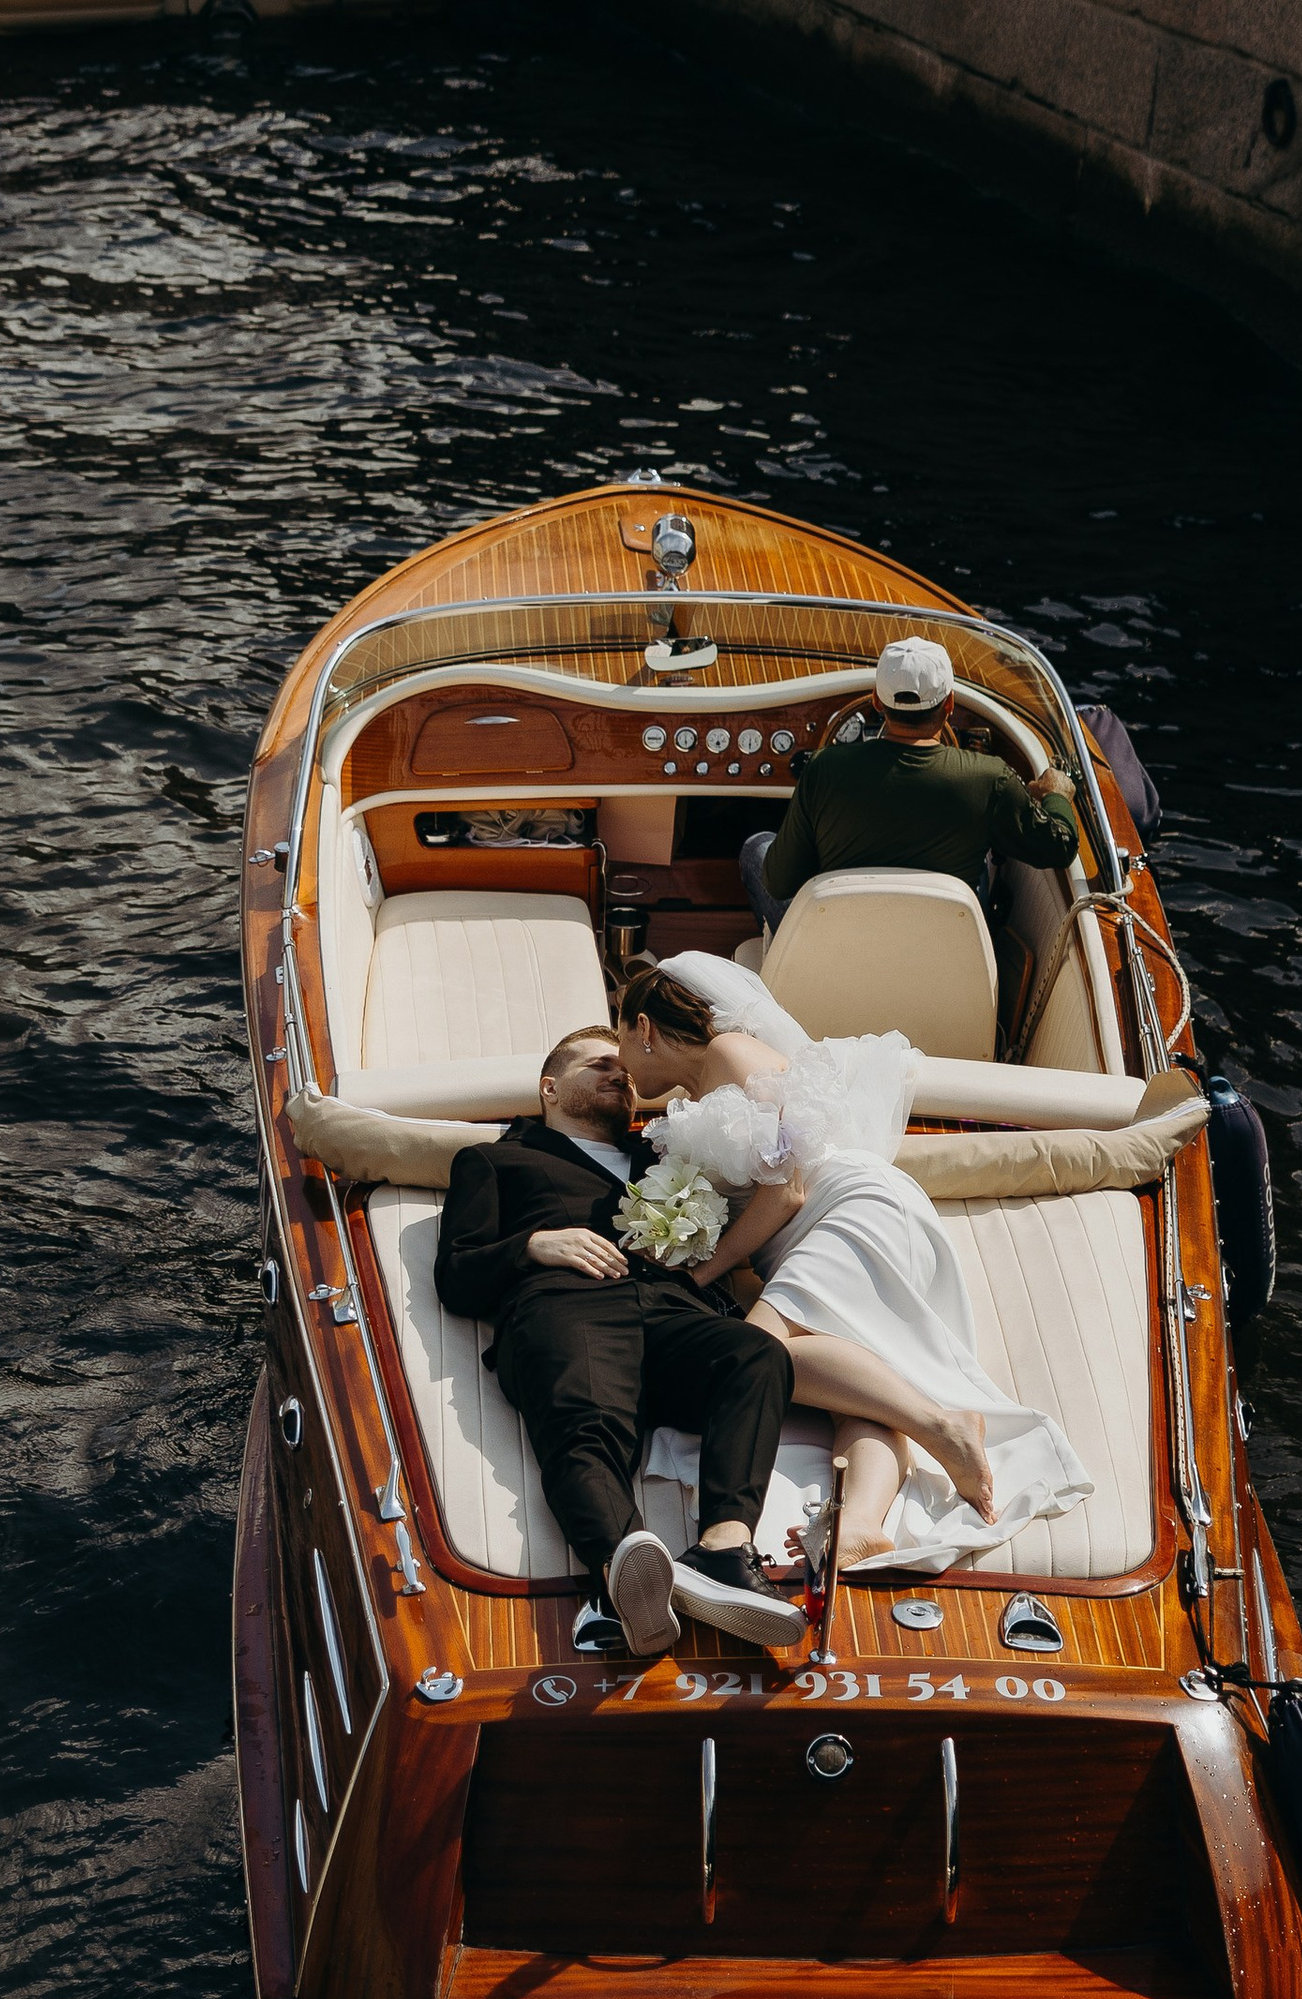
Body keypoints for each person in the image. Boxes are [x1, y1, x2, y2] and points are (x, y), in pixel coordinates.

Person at [615, 955, 1093, 1578]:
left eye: (619, 1037)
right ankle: (862, 1525)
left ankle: (942, 1424)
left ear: (644, 1026)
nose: (621, 1063)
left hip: (849, 1209)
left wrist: (704, 1274)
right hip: (805, 1241)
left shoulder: (729, 1051)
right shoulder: (690, 1098)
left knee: (753, 1362)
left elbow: (787, 1189)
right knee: (856, 1397)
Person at [433, 1026, 803, 1657]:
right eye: (599, 1065)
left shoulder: (666, 1159)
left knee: (756, 1356)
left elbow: (776, 1170)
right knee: (587, 1424)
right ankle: (619, 1573)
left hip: (667, 1310)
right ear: (549, 1088)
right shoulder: (496, 1159)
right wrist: (531, 1245)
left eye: (626, 1072)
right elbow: (456, 1273)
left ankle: (723, 1549)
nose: (620, 1076)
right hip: (565, 1306)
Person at [738, 633, 1080, 940]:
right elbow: (1059, 847)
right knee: (977, 867)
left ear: (875, 700)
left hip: (840, 951)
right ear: (949, 704)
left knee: (758, 847)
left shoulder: (823, 768)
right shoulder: (990, 778)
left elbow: (780, 882)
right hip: (942, 955)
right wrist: (1057, 795)